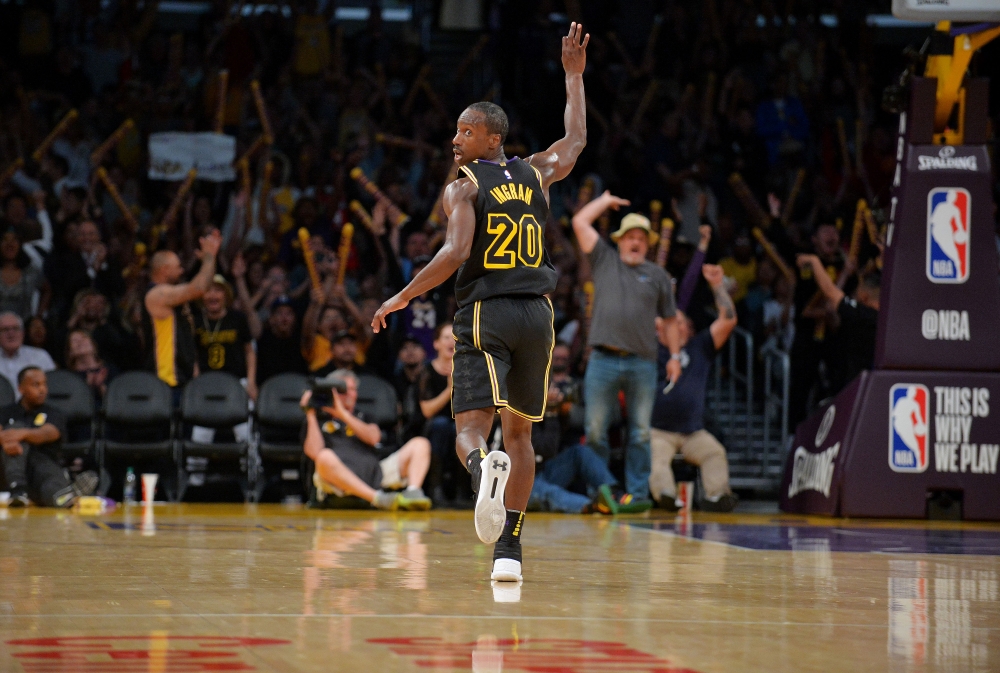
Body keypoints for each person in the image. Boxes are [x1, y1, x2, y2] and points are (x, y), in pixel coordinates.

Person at [372, 23, 590, 583]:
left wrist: (401, 296)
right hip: (538, 316)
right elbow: (576, 140)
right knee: (521, 436)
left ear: (492, 139)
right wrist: (573, 79)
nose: (455, 140)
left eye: (466, 132)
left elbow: (456, 250)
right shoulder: (537, 172)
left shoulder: (463, 187)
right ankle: (509, 552)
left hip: (486, 310)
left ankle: (479, 469)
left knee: (472, 425)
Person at [571, 191, 680, 501]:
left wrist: (674, 356)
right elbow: (580, 220)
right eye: (630, 237)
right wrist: (603, 202)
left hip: (643, 361)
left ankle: (637, 495)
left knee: (642, 433)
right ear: (619, 240)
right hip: (602, 359)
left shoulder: (658, 275)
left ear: (648, 245)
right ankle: (600, 492)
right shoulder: (604, 259)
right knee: (594, 431)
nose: (635, 243)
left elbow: (670, 321)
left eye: (641, 239)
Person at [649, 265, 740, 513]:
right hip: (659, 430)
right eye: (668, 323)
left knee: (714, 452)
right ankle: (666, 496)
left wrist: (717, 286)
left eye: (679, 323)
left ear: (689, 329)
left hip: (692, 432)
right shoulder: (652, 349)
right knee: (657, 460)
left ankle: (717, 497)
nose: (673, 327)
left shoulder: (700, 347)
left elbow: (729, 319)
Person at [528, 342, 646, 514]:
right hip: (518, 480)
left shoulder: (557, 400)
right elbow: (543, 448)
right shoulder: (521, 405)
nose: (551, 392)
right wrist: (551, 414)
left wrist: (559, 412)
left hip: (545, 471)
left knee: (579, 452)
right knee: (551, 493)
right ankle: (592, 505)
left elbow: (554, 448)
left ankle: (614, 494)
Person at [301, 369, 432, 511]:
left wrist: (343, 415)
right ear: (332, 392)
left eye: (353, 389)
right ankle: (377, 498)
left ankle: (412, 493)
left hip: (374, 473)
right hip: (337, 480)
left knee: (420, 444)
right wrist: (310, 414)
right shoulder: (318, 419)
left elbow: (373, 438)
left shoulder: (363, 415)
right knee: (323, 457)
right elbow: (314, 452)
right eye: (344, 389)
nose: (350, 394)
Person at [0, 367, 97, 507]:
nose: (42, 389)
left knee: (47, 477)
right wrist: (10, 436)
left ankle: (62, 497)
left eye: (44, 384)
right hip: (8, 470)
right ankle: (19, 488)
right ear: (21, 388)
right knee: (15, 429)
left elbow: (48, 433)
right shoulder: (6, 412)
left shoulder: (53, 413)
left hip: (42, 469)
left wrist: (22, 434)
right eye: (36, 385)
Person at [142, 229, 221, 391]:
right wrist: (209, 258)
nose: (182, 271)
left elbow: (204, 287)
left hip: (183, 379)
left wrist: (209, 260)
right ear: (164, 270)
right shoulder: (156, 294)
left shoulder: (173, 296)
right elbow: (198, 288)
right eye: (178, 267)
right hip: (165, 382)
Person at [797, 254, 879, 384]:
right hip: (878, 384)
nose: (855, 298)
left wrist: (814, 261)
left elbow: (830, 292)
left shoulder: (863, 315)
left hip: (857, 386)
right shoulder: (889, 318)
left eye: (857, 295)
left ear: (864, 297)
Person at [194, 275, 257, 400]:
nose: (213, 295)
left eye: (218, 291)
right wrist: (196, 381)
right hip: (206, 381)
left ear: (226, 295)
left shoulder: (238, 319)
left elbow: (249, 351)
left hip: (237, 380)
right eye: (208, 291)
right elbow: (193, 355)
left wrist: (251, 382)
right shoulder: (196, 322)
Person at [418, 323, 455, 503]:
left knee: (464, 430)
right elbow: (427, 410)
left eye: (455, 338)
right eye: (447, 337)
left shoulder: (468, 371)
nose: (452, 342)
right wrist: (450, 389)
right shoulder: (427, 371)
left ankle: (464, 490)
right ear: (436, 344)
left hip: (460, 422)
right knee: (442, 425)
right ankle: (436, 487)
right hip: (432, 425)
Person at [256, 296, 307, 385]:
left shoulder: (302, 339)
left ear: (295, 318)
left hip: (298, 389)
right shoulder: (262, 339)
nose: (284, 318)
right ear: (271, 318)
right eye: (279, 313)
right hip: (268, 392)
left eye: (289, 313)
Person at [0, 311, 55, 392]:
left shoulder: (40, 356)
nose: (11, 334)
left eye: (15, 328)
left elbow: (53, 386)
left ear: (23, 333)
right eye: (5, 329)